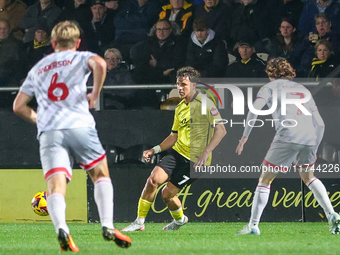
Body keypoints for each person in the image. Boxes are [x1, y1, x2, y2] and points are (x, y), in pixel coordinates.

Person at [12, 21, 131, 251]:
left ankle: (62, 229)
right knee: (99, 173)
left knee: (56, 186)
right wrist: (94, 93)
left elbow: (18, 106)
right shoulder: (80, 57)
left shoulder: (38, 67)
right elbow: (99, 62)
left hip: (50, 132)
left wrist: (40, 119)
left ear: (53, 43)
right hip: (79, 125)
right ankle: (107, 224)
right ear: (77, 42)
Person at [235, 57, 340, 235]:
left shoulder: (268, 88)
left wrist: (245, 136)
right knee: (309, 177)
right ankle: (332, 214)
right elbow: (320, 124)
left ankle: (253, 226)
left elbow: (254, 110)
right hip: (309, 137)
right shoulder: (302, 89)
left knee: (265, 179)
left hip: (287, 134)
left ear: (270, 73)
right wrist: (314, 148)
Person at [121, 66, 226, 232]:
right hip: (177, 153)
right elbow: (173, 136)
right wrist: (153, 150)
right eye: (178, 84)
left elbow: (221, 130)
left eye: (183, 84)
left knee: (166, 194)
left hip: (195, 161)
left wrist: (206, 152)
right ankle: (139, 222)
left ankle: (180, 220)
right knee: (153, 180)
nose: (179, 88)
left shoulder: (205, 103)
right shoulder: (180, 108)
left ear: (194, 85)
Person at [130, 19, 186, 85]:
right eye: (159, 29)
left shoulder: (179, 43)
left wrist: (157, 64)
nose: (161, 32)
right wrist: (161, 73)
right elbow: (143, 64)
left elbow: (175, 64)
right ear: (155, 30)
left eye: (164, 29)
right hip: (152, 76)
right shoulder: (147, 43)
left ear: (170, 30)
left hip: (170, 78)